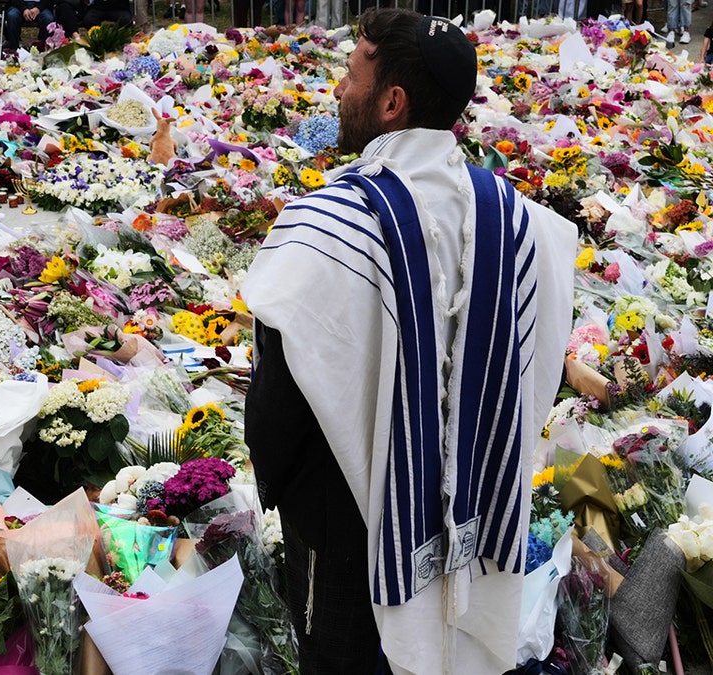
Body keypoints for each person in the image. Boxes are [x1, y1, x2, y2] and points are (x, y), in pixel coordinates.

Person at [241, 9, 577, 674]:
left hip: (345, 530)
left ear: (392, 102)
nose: (339, 89)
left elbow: (275, 403)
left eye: (352, 74)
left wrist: (285, 492)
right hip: (467, 519)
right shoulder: (517, 220)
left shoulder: (330, 222)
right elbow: (536, 361)